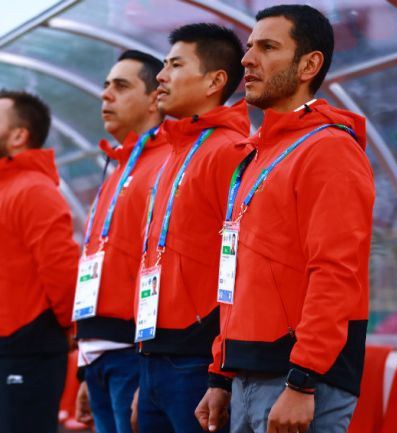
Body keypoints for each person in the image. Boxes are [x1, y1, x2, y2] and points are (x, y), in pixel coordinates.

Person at [196, 5, 375, 433]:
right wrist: (220, 373)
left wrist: (304, 379)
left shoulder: (329, 149)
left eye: (267, 47)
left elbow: (336, 271)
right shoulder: (258, 155)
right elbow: (236, 275)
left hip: (298, 383)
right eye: (249, 47)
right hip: (246, 378)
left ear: (309, 65)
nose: (246, 59)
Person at [132, 23, 252, 433]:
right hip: (154, 356)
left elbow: (241, 265)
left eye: (175, 65)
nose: (161, 77)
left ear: (215, 80)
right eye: (163, 65)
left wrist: (220, 373)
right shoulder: (175, 152)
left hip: (197, 360)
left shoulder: (229, 151)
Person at [0, 89, 78, 433]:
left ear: (19, 135)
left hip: (25, 350)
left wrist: (66, 330)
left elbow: (62, 271)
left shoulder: (34, 190)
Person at [72, 50, 168, 433]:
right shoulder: (116, 167)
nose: (106, 96)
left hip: (134, 355)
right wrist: (85, 362)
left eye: (121, 86)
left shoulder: (166, 163)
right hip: (99, 356)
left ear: (154, 98)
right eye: (105, 86)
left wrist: (150, 366)